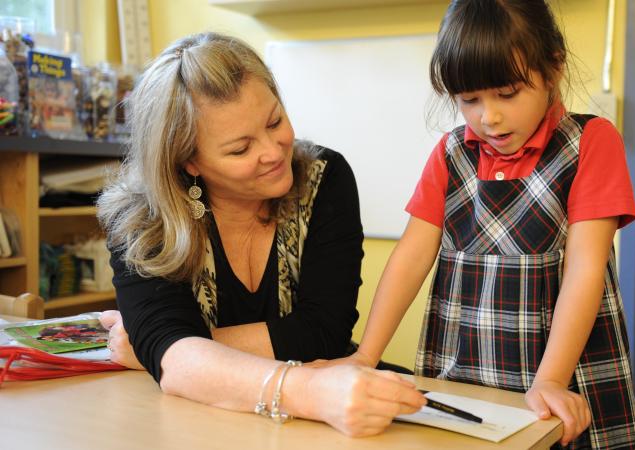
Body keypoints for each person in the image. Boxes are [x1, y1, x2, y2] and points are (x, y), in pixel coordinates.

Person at [323, 1, 635, 448]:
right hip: (465, 377)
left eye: (507, 93)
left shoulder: (590, 143)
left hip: (564, 377)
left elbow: (585, 270)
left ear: (552, 69)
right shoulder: (451, 154)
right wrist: (365, 355)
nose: (488, 116)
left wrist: (550, 380)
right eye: (469, 100)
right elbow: (411, 256)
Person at [96, 32, 425, 437]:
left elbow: (323, 332)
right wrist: (171, 352)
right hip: (199, 429)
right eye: (240, 149)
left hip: (322, 419)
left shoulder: (325, 177)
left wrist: (179, 351)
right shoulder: (140, 217)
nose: (274, 152)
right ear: (189, 163)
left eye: (275, 121)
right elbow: (172, 357)